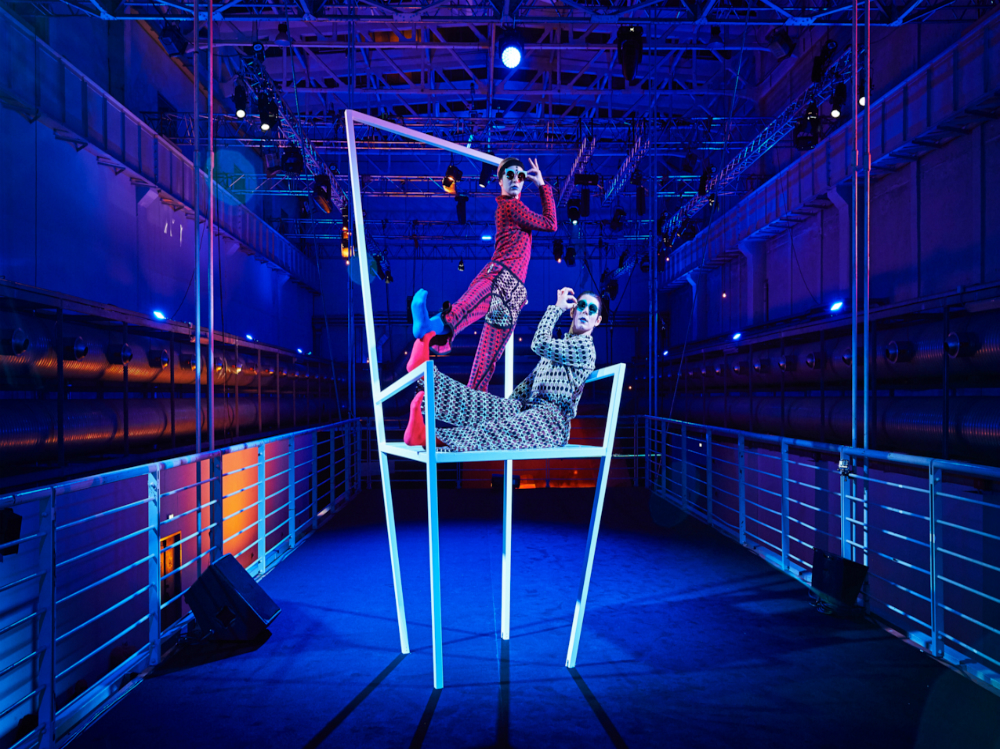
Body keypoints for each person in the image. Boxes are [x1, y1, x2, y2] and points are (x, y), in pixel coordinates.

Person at [408, 156, 557, 392]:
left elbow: (548, 224)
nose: (516, 179)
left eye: (520, 176)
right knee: (469, 316)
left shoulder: (516, 207)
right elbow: (551, 223)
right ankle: (429, 327)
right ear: (500, 180)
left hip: (513, 292)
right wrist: (541, 185)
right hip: (499, 275)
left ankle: (473, 397)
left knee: (487, 356)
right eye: (510, 175)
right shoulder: (510, 206)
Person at [403, 288, 602, 452]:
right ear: (573, 311)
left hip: (552, 422)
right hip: (529, 408)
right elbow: (529, 384)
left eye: (592, 309)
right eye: (582, 306)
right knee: (481, 404)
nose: (586, 311)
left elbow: (539, 343)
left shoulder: (585, 348)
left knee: (495, 431)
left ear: (598, 320)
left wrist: (555, 309)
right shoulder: (559, 348)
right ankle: (424, 375)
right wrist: (503, 408)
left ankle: (428, 437)